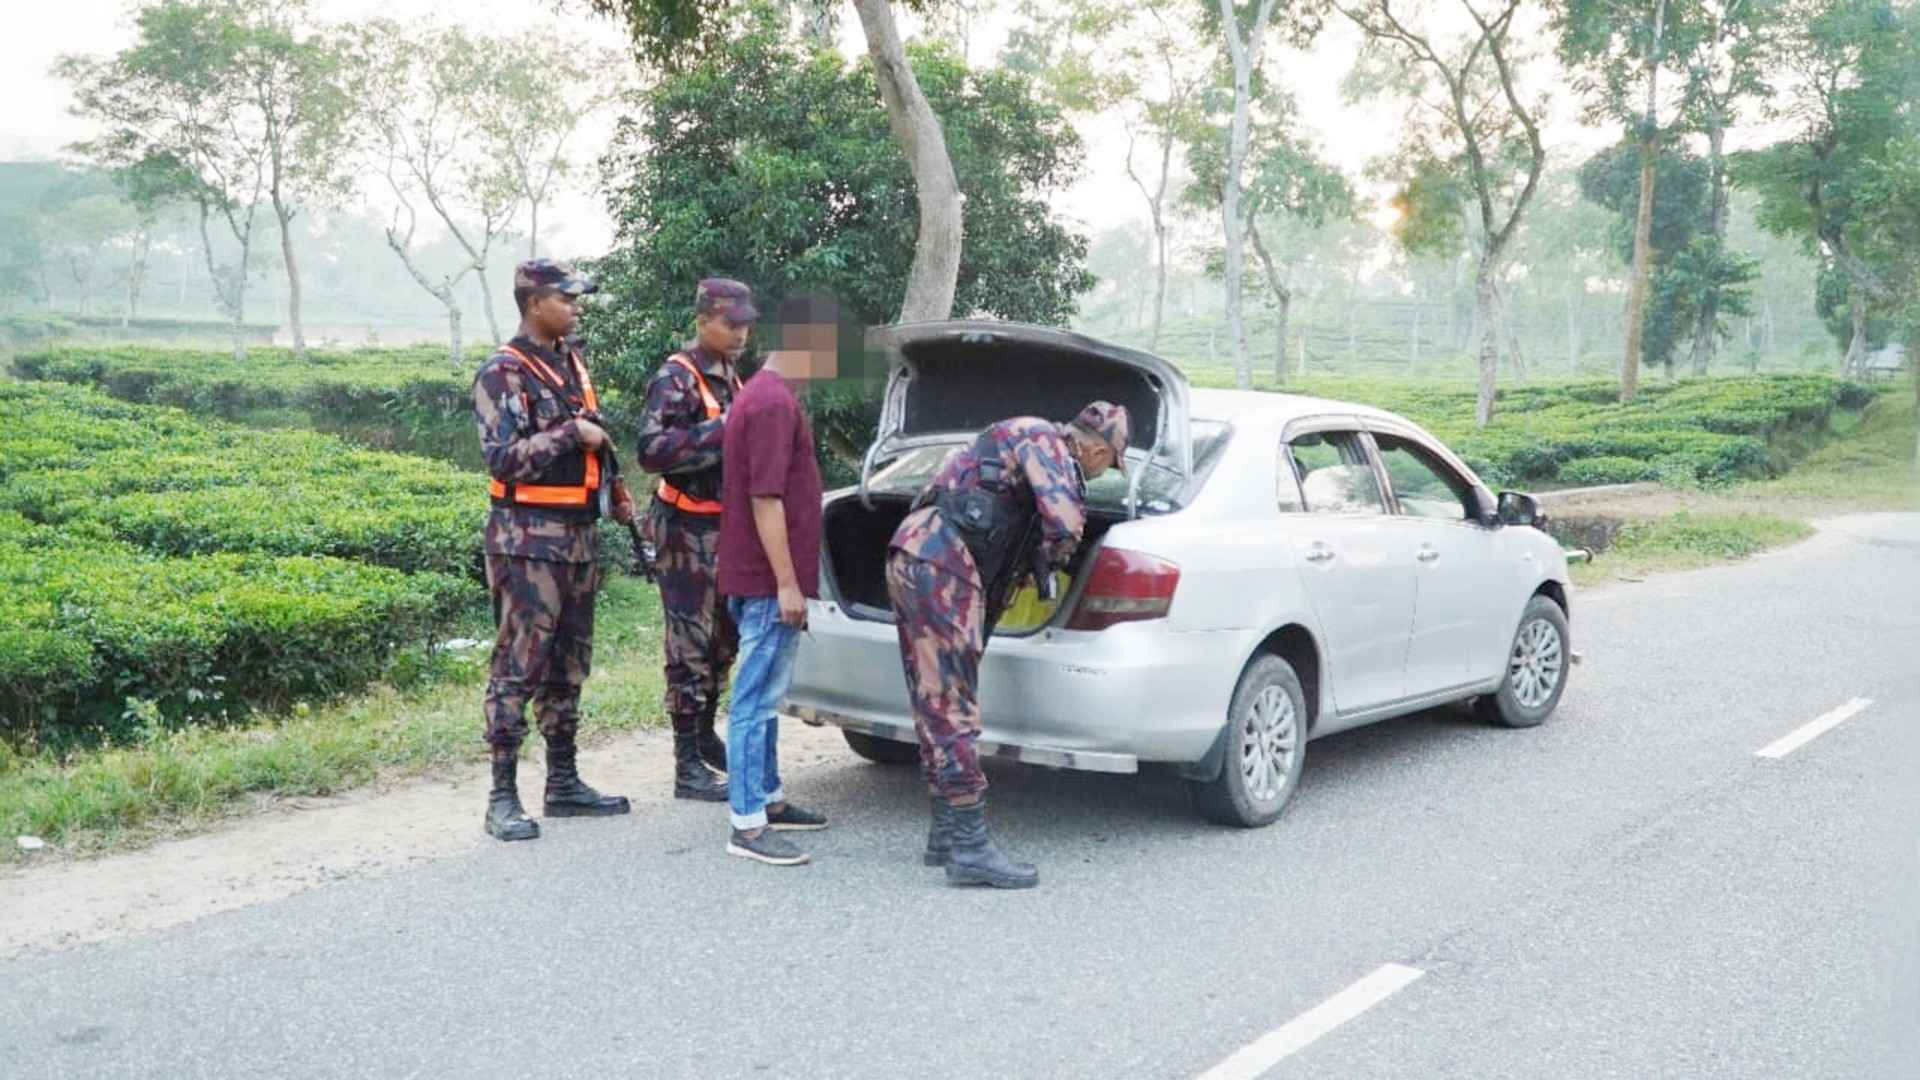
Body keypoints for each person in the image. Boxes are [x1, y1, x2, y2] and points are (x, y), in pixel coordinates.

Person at [885, 401, 1131, 887]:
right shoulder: (1045, 440)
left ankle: (946, 834)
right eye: (1111, 463)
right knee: (952, 704)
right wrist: (1049, 566)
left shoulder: (1021, 438)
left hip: (919, 555)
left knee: (935, 700)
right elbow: (1065, 522)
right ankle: (971, 847)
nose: (1105, 473)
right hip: (943, 564)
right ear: (1097, 448)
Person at [472, 259, 636, 842]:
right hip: (527, 543)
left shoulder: (570, 362)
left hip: (578, 537)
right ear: (534, 301)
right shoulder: (503, 371)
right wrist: (573, 434)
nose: (576, 306)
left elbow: (593, 438)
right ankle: (501, 797)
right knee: (518, 668)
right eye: (567, 298)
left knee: (569, 667)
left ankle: (563, 782)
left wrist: (614, 488)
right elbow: (503, 458)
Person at [714, 302, 835, 866]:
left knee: (765, 696)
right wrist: (787, 584)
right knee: (753, 701)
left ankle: (768, 799)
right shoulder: (770, 404)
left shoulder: (772, 397)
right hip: (765, 582)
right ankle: (747, 824)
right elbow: (765, 499)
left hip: (768, 578)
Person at [635, 279, 755, 801]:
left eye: (746, 323)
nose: (741, 333)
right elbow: (652, 449)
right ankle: (686, 763)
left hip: (727, 526)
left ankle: (705, 735)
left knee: (723, 638)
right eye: (731, 323)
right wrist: (725, 429)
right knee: (689, 642)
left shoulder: (732, 374)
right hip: (686, 527)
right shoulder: (677, 377)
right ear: (703, 318)